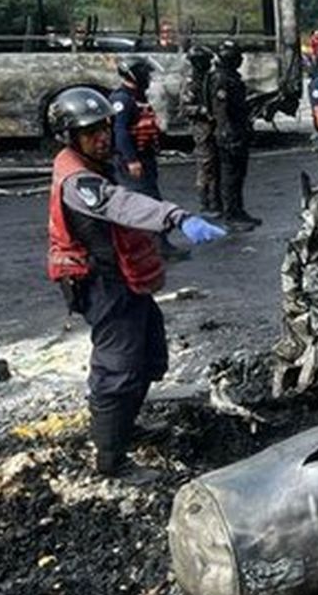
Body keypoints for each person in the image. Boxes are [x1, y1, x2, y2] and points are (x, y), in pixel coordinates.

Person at [45, 87, 226, 482]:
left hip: (122, 279)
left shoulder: (89, 164)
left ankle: (125, 429)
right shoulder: (79, 180)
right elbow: (120, 205)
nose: (102, 137)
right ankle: (112, 461)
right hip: (102, 284)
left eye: (104, 128)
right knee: (117, 368)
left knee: (147, 354)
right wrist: (176, 217)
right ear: (70, 136)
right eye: (91, 132)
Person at [110, 58, 188, 260]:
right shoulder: (123, 100)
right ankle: (158, 246)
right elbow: (120, 133)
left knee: (146, 200)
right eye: (144, 73)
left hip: (144, 157)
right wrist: (131, 160)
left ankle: (149, 245)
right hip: (134, 161)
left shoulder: (137, 97)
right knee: (148, 202)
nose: (148, 78)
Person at [212, 41, 260, 230]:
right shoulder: (222, 79)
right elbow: (221, 110)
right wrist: (227, 134)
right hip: (229, 134)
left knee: (239, 174)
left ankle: (239, 210)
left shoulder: (232, 77)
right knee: (230, 176)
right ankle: (231, 215)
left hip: (238, 131)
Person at [181, 44, 219, 215]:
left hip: (214, 126)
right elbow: (185, 108)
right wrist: (202, 111)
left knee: (216, 164)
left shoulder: (208, 78)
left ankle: (215, 200)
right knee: (205, 165)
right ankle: (205, 203)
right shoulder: (191, 82)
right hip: (201, 127)